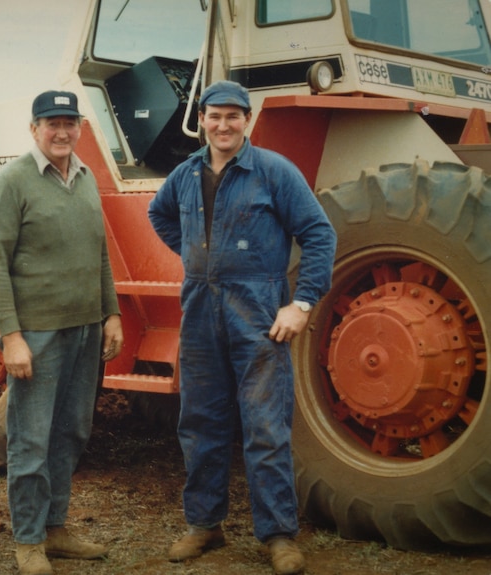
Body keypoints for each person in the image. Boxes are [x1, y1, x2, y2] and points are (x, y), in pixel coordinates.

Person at [148, 80, 336, 575]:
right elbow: (159, 214)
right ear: (203, 120)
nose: (223, 125)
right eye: (215, 116)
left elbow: (319, 234)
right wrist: (197, 255)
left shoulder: (273, 171)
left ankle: (278, 535)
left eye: (234, 116)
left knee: (265, 425)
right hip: (200, 308)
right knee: (200, 422)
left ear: (247, 121)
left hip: (258, 309)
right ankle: (204, 525)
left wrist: (301, 302)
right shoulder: (186, 174)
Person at [0, 90, 124, 575]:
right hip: (37, 336)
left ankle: (56, 527)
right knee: (31, 438)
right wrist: (11, 335)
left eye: (69, 122)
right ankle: (27, 539)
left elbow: (100, 252)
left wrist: (112, 314)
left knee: (72, 431)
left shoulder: (84, 178)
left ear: (80, 127)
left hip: (84, 331)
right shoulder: (13, 182)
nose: (61, 132)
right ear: (33, 128)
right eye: (51, 123)